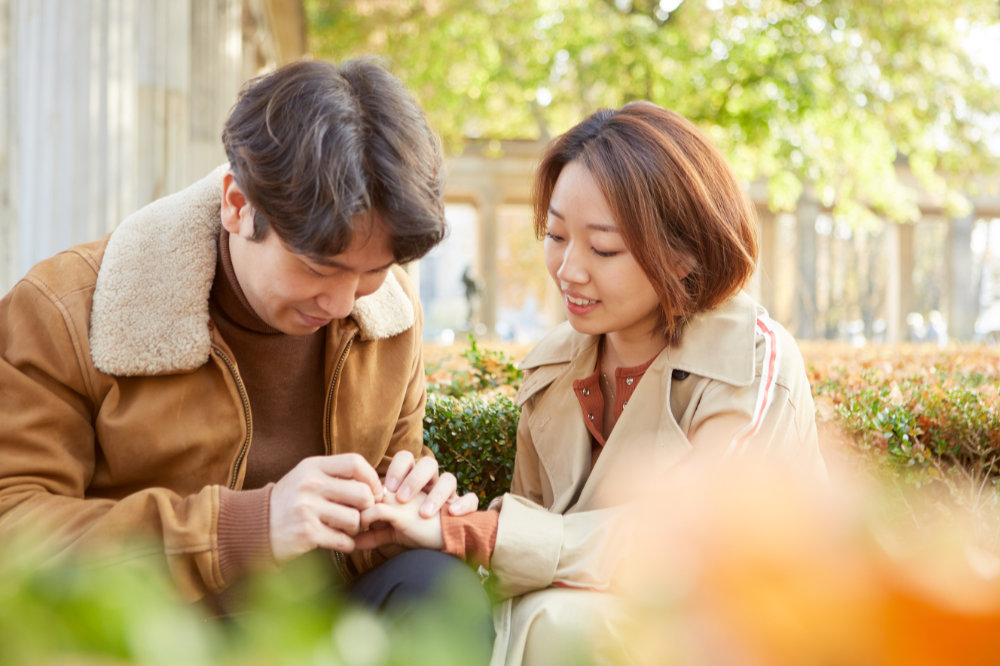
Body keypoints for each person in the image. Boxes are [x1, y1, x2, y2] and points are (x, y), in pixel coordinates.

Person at [0, 58, 482, 614]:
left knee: (440, 588)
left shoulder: (390, 313)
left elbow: (380, 501)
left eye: (373, 270)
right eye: (321, 268)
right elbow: (14, 526)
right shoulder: (63, 308)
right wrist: (243, 527)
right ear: (237, 204)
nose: (346, 303)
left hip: (312, 628)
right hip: (147, 632)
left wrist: (400, 517)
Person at [354, 101, 827, 664]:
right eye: (555, 236)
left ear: (682, 255)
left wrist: (481, 535)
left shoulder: (752, 366)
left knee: (554, 622)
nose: (568, 270)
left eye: (604, 248)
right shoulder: (552, 370)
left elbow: (688, 548)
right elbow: (527, 563)